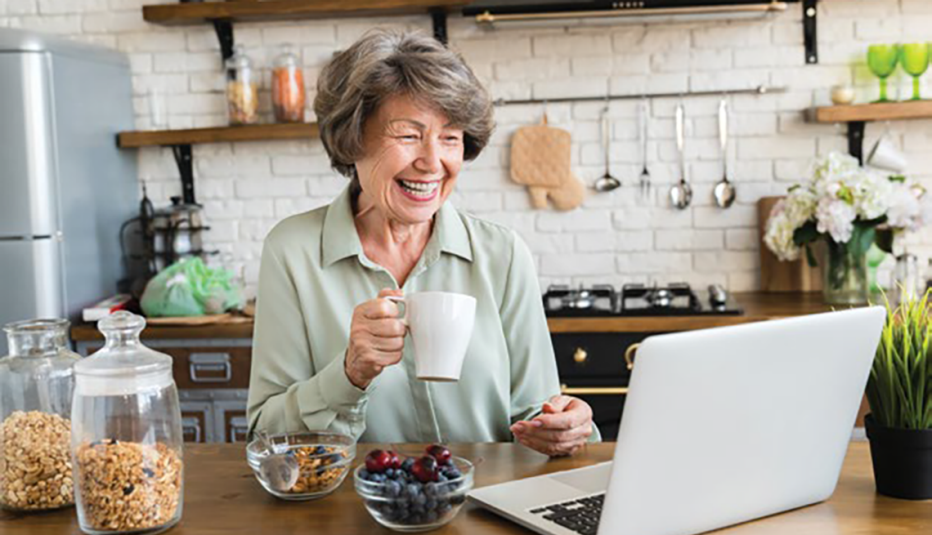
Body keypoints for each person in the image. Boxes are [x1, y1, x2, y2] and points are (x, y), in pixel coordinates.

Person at [246, 29, 598, 456]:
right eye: (408, 135)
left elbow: (533, 413)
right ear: (352, 138)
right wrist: (349, 375)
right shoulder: (293, 252)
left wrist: (564, 426)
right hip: (357, 497)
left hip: (489, 494)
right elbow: (265, 436)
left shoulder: (502, 255)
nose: (433, 163)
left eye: (450, 138)